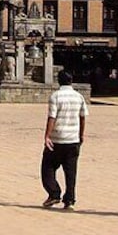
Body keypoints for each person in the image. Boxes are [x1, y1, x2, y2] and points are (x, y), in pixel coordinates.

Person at [39, 70, 88, 211]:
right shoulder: (79, 97)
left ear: (58, 81)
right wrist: (81, 134)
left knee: (47, 168)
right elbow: (83, 117)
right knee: (71, 171)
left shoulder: (56, 96)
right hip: (73, 139)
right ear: (71, 81)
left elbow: (52, 117)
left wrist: (47, 136)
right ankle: (70, 200)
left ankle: (54, 193)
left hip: (57, 138)